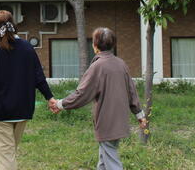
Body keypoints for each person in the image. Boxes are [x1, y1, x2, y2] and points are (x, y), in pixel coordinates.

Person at [50, 27, 147, 170]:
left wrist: (60, 104)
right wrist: (139, 114)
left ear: (95, 45)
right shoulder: (121, 64)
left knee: (111, 158)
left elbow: (82, 94)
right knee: (104, 158)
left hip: (106, 121)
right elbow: (132, 92)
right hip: (120, 119)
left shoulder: (97, 66)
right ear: (113, 44)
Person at [0, 10, 56, 170]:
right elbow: (39, 77)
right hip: (23, 110)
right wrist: (50, 98)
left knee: (6, 157)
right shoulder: (27, 48)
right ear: (14, 25)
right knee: (8, 154)